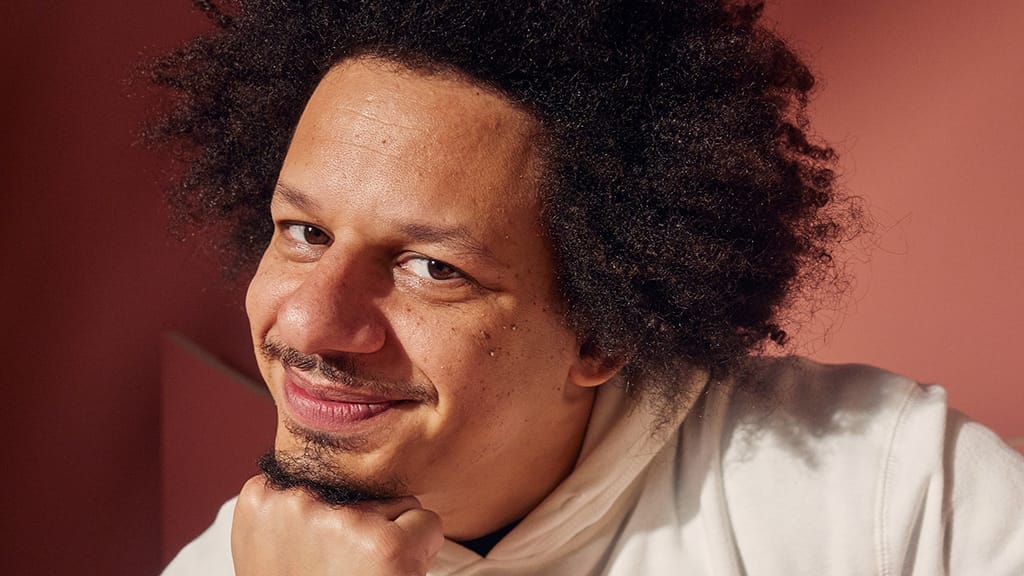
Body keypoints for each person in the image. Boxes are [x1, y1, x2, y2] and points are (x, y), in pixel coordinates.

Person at [151, 0, 1024, 574]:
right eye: (304, 234)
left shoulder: (888, 493)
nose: (310, 320)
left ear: (604, 333)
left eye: (433, 269)